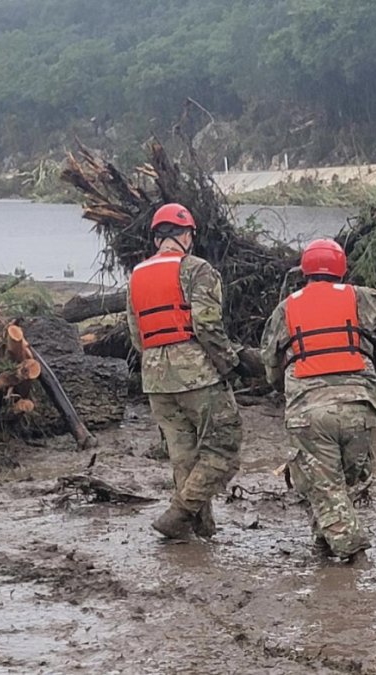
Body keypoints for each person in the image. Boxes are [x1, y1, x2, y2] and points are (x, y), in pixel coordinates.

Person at [260, 238, 376, 564]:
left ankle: (354, 552)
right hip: (359, 407)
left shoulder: (287, 307)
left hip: (309, 411)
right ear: (342, 269)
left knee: (325, 484)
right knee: (344, 479)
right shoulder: (362, 297)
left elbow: (269, 359)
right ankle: (325, 544)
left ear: (305, 270)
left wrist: (276, 379)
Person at [126, 203, 244, 540]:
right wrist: (229, 363)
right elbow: (207, 325)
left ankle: (199, 529)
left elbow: (136, 335)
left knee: (184, 455)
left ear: (156, 239)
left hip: (155, 379)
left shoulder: (136, 275)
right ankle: (178, 514)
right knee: (224, 448)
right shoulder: (197, 269)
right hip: (197, 373)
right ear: (187, 235)